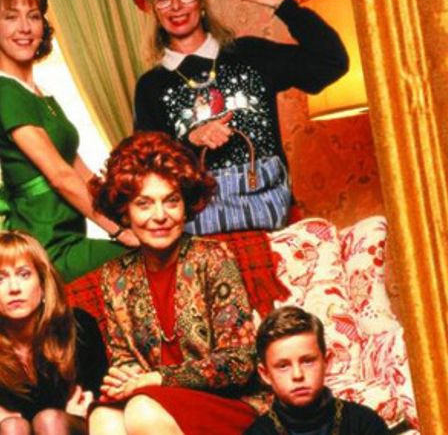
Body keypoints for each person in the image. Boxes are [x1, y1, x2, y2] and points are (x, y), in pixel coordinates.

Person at [131, 0, 349, 233]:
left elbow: (331, 63)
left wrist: (286, 6)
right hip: (202, 235)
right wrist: (190, 139)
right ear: (153, 10)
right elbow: (147, 169)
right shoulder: (151, 86)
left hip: (274, 223)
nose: (176, 5)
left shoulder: (251, 54)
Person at [88, 132, 264, 434]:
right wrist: (126, 375)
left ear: (186, 205)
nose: (160, 216)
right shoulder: (115, 276)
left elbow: (239, 362)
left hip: (228, 403)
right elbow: (123, 357)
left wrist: (158, 378)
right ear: (125, 212)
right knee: (104, 418)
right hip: (153, 402)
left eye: (171, 201)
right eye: (144, 204)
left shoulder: (213, 258)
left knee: (142, 409)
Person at [0, 0, 137, 282]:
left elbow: (82, 173)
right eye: (11, 16)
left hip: (69, 237)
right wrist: (118, 231)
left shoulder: (39, 94)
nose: (25, 27)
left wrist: (131, 216)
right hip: (43, 246)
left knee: (160, 243)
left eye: (34, 16)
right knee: (148, 257)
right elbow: (60, 177)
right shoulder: (3, 92)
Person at [0, 231, 107, 435]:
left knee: (50, 421)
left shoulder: (78, 328)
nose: (14, 288)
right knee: (13, 427)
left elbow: (99, 398)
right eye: (0, 279)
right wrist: (14, 420)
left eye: (24, 275)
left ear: (42, 283)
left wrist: (87, 409)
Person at [245, 306, 390, 435]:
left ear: (326, 362)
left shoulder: (364, 423)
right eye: (283, 366)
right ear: (266, 374)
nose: (298, 375)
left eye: (308, 361)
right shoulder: (257, 433)